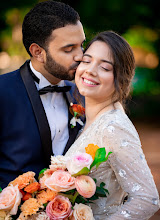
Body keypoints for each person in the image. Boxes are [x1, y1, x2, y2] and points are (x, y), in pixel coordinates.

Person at [65, 31, 160, 219]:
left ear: (121, 80)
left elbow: (147, 198)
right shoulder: (85, 119)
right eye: (86, 60)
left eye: (105, 68)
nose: (91, 70)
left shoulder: (114, 126)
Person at [0, 0, 85, 189]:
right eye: (69, 49)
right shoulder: (2, 91)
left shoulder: (83, 92)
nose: (80, 55)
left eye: (82, 45)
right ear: (38, 52)